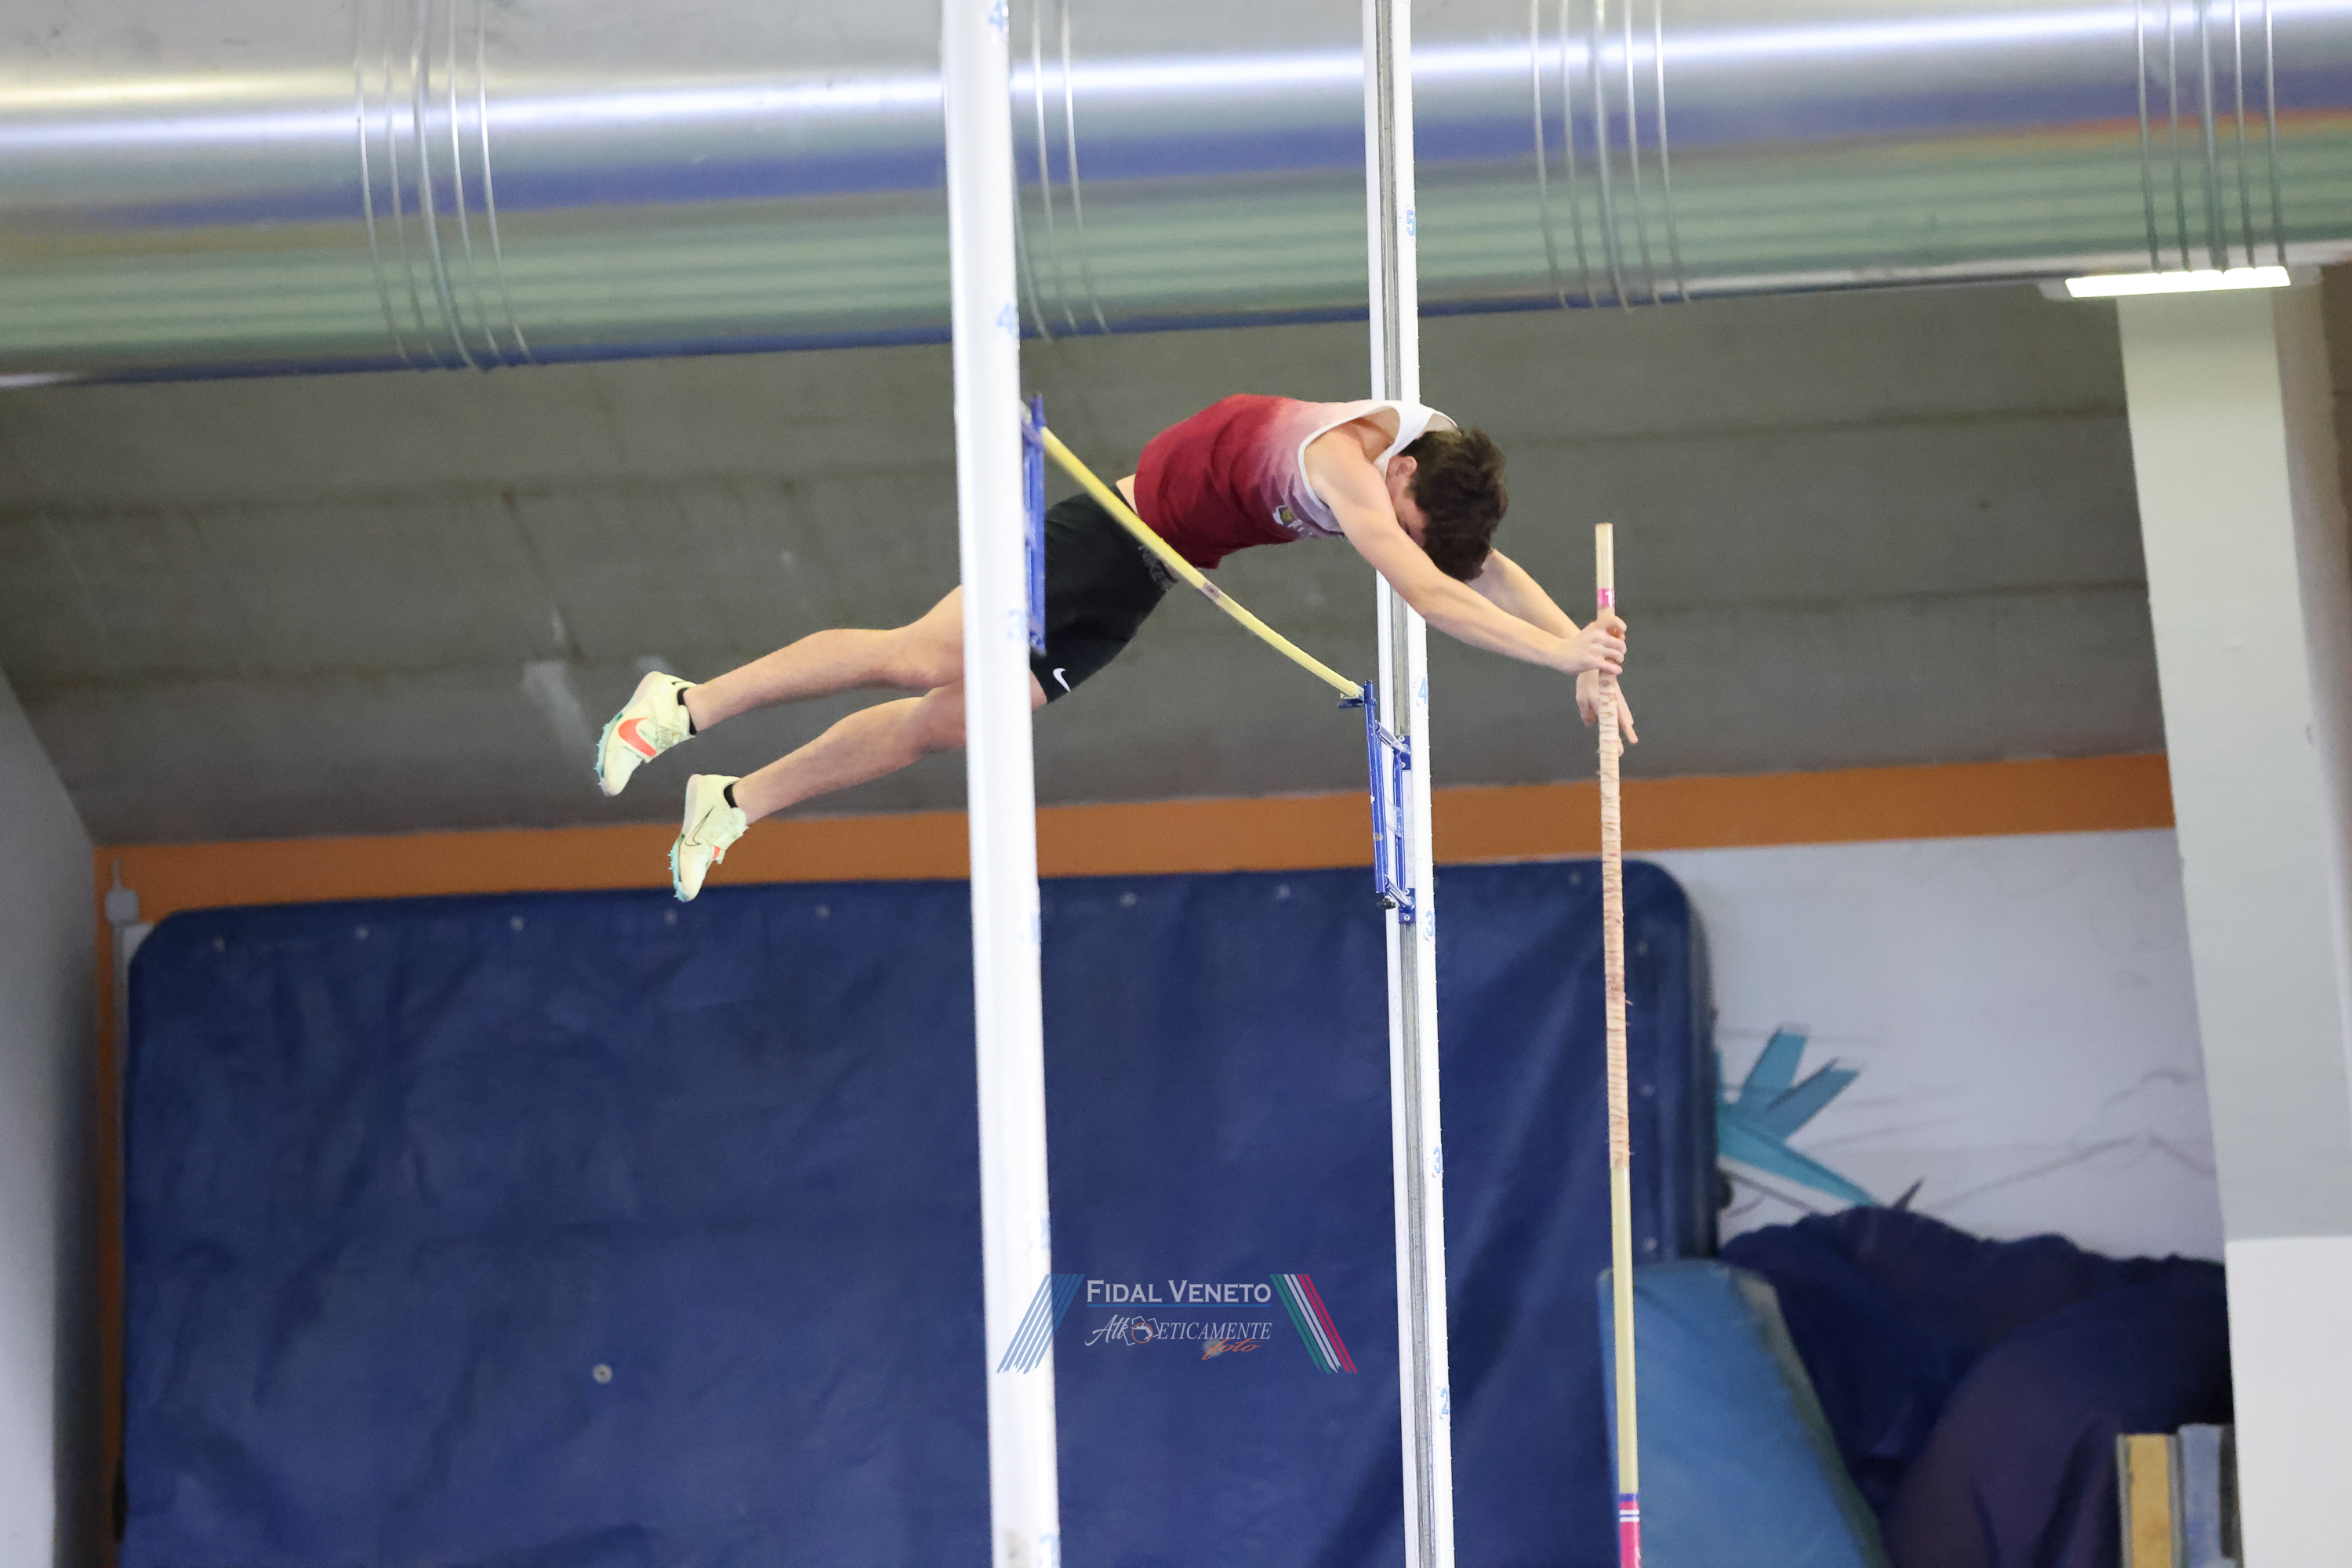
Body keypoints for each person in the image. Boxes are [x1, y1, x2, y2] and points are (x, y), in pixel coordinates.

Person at [597, 394, 1635, 900]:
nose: (1404, 539)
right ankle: (683, 705)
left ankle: (733, 802)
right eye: (1406, 524)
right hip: (1107, 532)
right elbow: (1427, 593)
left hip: (1146, 574)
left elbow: (1476, 570)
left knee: (956, 722)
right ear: (1400, 477)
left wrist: (1584, 655)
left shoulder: (1432, 468)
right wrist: (1557, 658)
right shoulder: (1343, 465)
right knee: (916, 657)